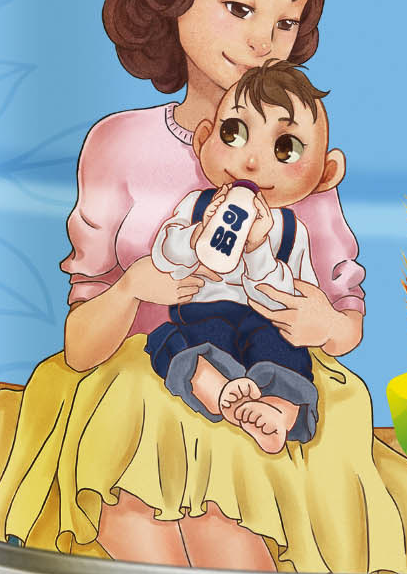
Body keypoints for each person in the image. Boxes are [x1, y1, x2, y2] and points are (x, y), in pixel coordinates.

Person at [0, 0, 407, 574]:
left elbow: (345, 315)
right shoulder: (118, 144)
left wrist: (322, 324)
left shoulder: (297, 159)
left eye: (285, 21)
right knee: (136, 407)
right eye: (239, 7)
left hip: (269, 374)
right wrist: (134, 287)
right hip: (141, 378)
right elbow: (81, 343)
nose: (263, 42)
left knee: (231, 505)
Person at [145, 61, 344, 454]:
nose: (252, 161)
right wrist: (196, 237)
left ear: (325, 174)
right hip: (201, 313)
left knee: (285, 355)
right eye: (234, 133)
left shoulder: (292, 231)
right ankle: (220, 392)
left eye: (285, 149)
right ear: (204, 139)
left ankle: (277, 412)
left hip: (264, 321)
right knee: (174, 343)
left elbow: (291, 298)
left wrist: (257, 250)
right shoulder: (196, 206)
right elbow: (165, 256)